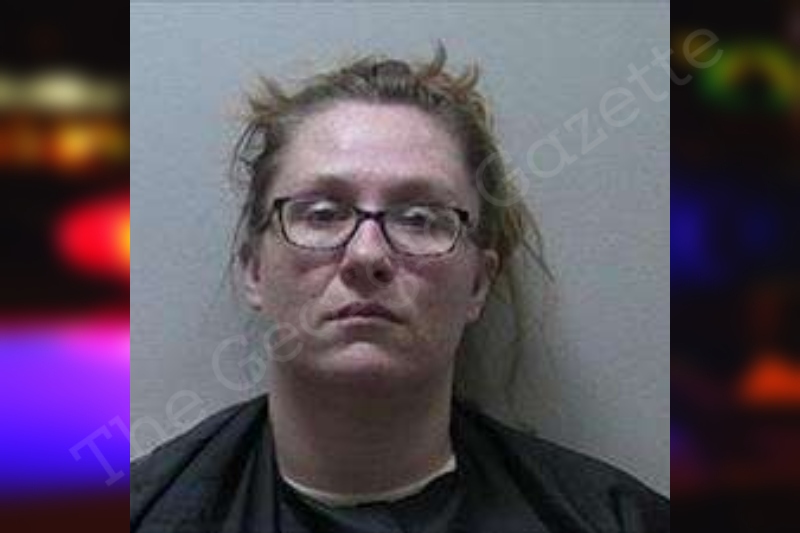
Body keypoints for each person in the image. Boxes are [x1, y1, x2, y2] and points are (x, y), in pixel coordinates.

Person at [130, 46, 669, 533]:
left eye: (419, 218)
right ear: (253, 269)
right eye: (322, 213)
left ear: (478, 282)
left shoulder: (619, 521)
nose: (367, 255)